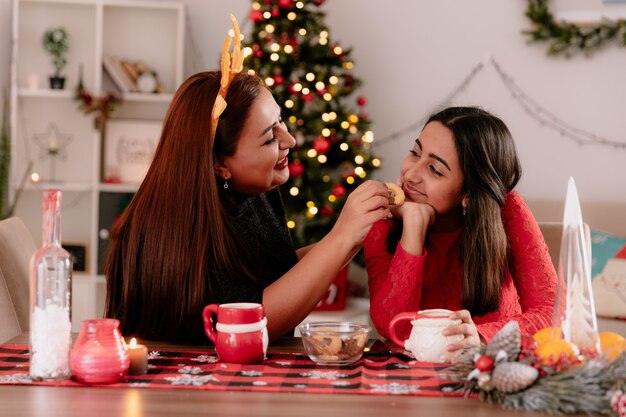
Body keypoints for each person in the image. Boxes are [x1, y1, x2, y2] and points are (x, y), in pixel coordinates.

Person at [104, 17, 390, 344]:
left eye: (280, 121)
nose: (290, 141)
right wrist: (341, 238)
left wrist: (354, 237)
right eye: (270, 138)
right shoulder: (175, 232)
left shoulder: (254, 191)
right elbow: (253, 321)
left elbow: (271, 275)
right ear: (219, 165)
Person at [364, 106, 557, 359]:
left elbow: (552, 313)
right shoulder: (383, 218)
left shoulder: (508, 212)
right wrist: (413, 226)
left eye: (435, 169)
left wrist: (480, 336)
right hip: (411, 382)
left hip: (494, 372)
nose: (410, 175)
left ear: (468, 193)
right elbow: (392, 328)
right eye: (415, 153)